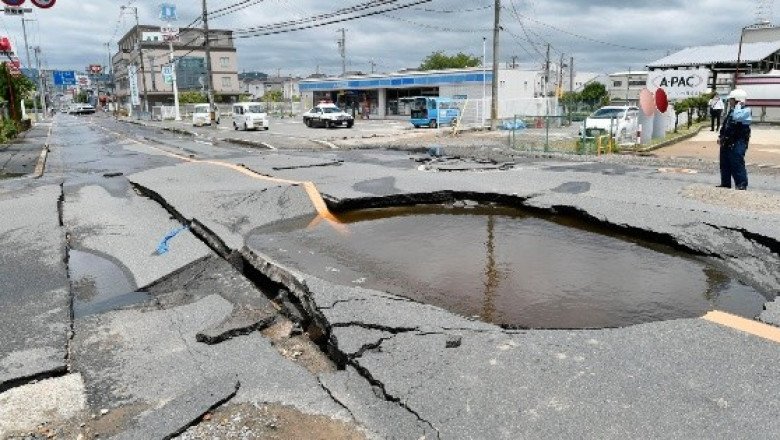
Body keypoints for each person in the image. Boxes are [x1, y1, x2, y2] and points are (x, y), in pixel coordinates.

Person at [717, 89, 751, 190]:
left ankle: (741, 184)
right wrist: (721, 136)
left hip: (739, 141)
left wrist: (738, 106)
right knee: (724, 162)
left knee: (737, 162)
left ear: (737, 100)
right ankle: (725, 183)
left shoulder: (746, 110)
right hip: (727, 140)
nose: (729, 101)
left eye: (731, 99)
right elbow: (725, 125)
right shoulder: (732, 110)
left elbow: (737, 117)